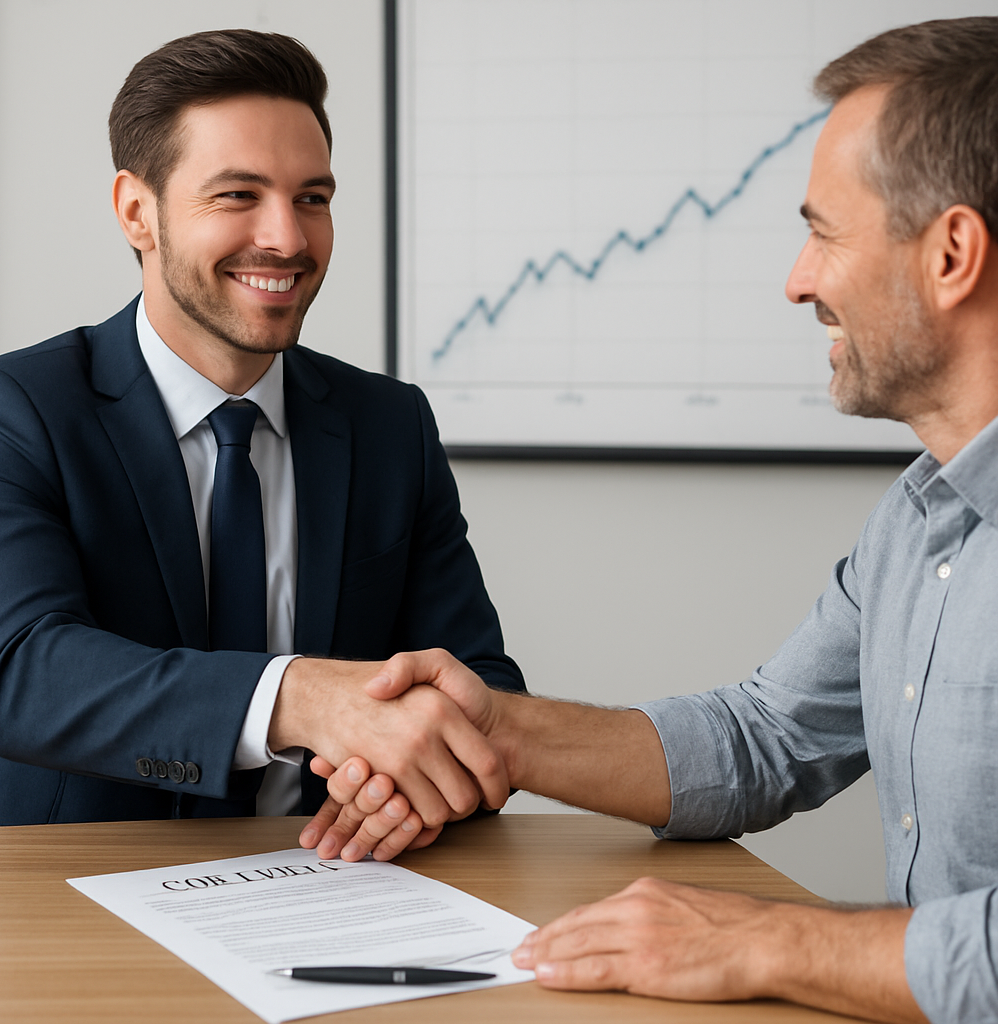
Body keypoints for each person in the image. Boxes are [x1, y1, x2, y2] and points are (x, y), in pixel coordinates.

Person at [301, 16, 998, 1023]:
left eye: (822, 232)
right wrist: (494, 729)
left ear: (950, 255)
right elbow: (767, 737)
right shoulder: (916, 519)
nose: (797, 280)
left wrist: (768, 938)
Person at [0, 29, 524, 838]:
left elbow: (479, 682)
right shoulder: (12, 410)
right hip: (73, 889)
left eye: (313, 197)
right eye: (238, 196)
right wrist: (299, 697)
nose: (289, 239)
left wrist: (410, 786)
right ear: (138, 211)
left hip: (332, 879)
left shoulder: (387, 424)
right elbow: (21, 674)